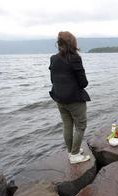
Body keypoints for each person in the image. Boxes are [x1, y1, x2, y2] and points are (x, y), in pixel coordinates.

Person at [49, 31, 91, 164]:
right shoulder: (75, 58)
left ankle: (71, 151)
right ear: (73, 43)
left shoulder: (53, 58)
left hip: (59, 99)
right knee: (80, 126)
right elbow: (83, 82)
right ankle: (74, 155)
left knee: (67, 125)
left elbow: (53, 80)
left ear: (59, 43)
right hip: (74, 100)